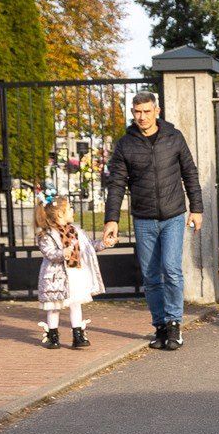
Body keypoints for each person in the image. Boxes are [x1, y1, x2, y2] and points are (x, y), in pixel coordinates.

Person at [103, 90, 203, 352]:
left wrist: (197, 208)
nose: (142, 117)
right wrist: (111, 219)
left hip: (172, 215)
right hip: (144, 218)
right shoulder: (126, 144)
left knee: (170, 269)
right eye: (137, 112)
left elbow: (189, 173)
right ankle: (159, 325)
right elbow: (116, 183)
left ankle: (174, 324)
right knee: (150, 276)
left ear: (157, 111)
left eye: (147, 111)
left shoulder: (174, 137)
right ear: (132, 112)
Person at [35, 194, 101, 350]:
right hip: (56, 277)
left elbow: (89, 247)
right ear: (59, 214)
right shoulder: (47, 235)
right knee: (54, 306)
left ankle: (78, 334)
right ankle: (53, 335)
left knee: (75, 303)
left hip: (74, 273)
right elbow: (49, 253)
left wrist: (104, 243)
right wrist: (62, 253)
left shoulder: (76, 231)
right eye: (70, 208)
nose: (73, 210)